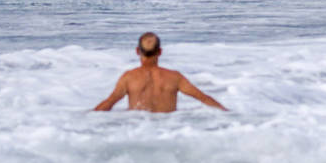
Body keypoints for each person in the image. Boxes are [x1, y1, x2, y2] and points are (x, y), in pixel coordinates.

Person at [93, 32, 228, 112]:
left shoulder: (129, 77)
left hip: (138, 128)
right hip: (168, 129)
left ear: (137, 51)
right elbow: (203, 98)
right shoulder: (175, 77)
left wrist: (84, 119)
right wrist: (229, 114)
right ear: (160, 51)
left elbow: (109, 103)